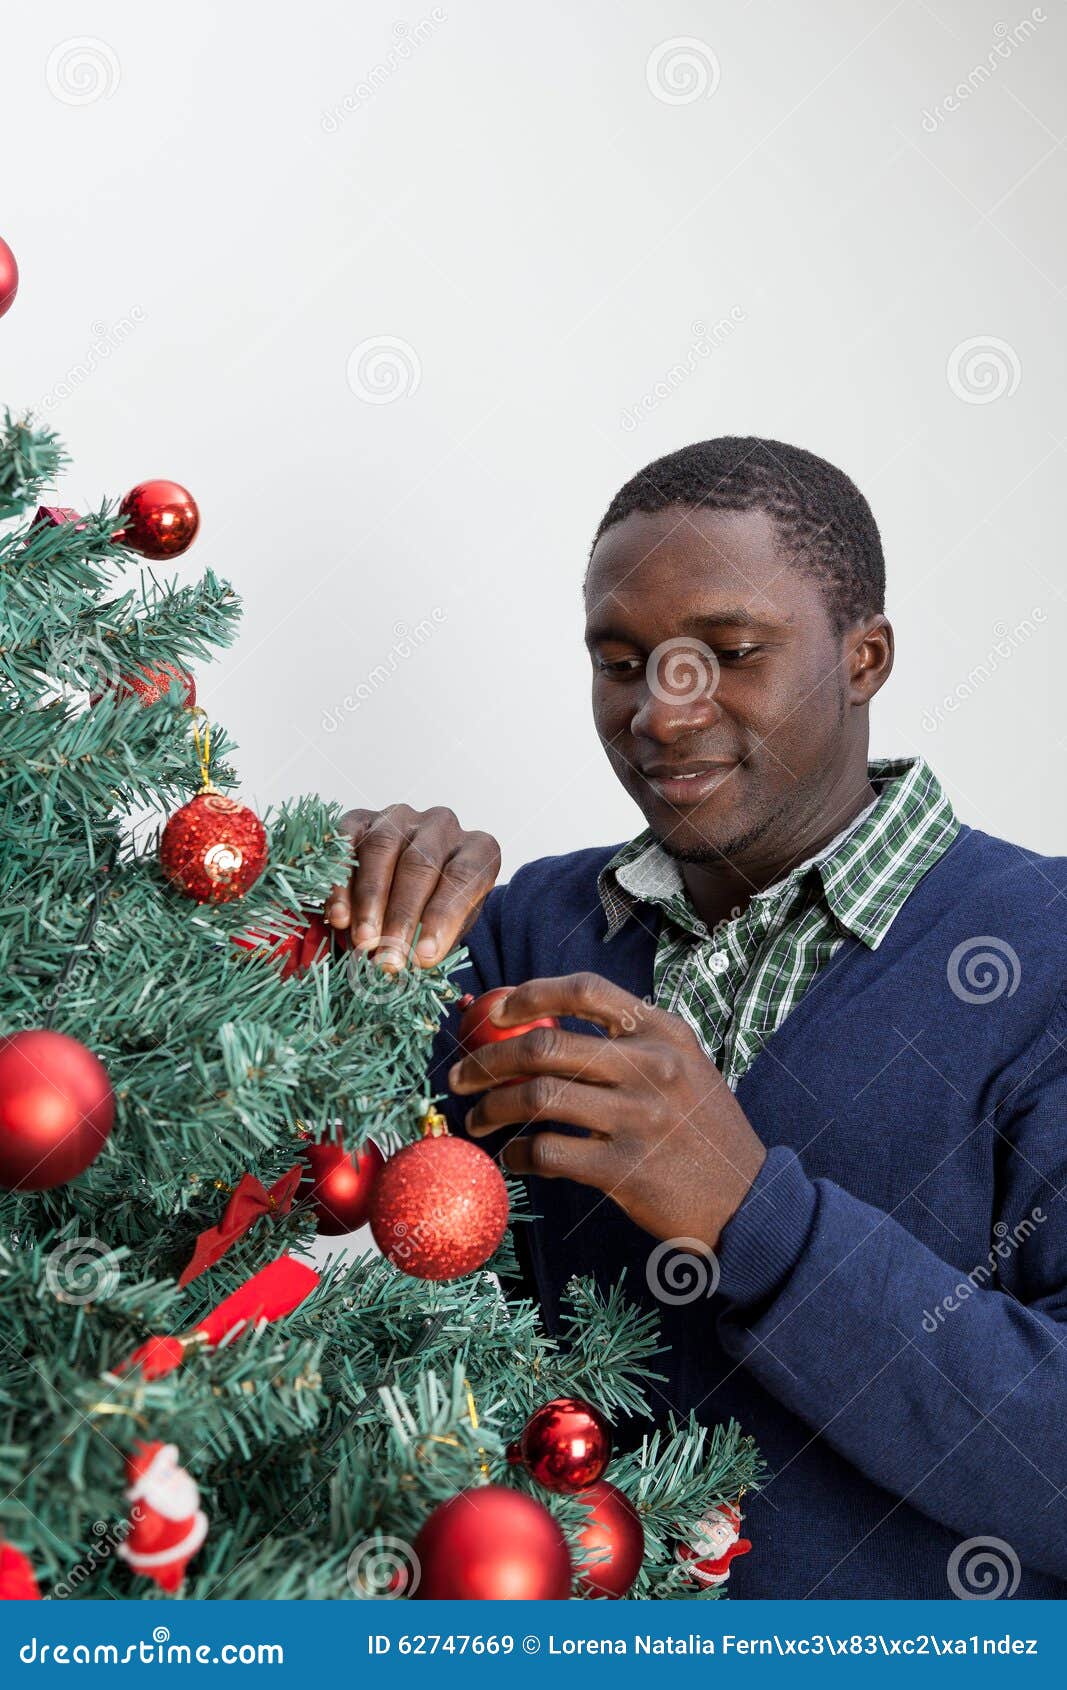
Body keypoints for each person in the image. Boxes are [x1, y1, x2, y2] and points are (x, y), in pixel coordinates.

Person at [326, 437, 1067, 1599]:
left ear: (863, 657)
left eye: (728, 652)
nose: (661, 716)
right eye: (620, 662)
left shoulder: (1042, 955)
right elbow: (256, 1136)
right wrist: (321, 912)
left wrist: (749, 1212)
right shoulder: (524, 937)